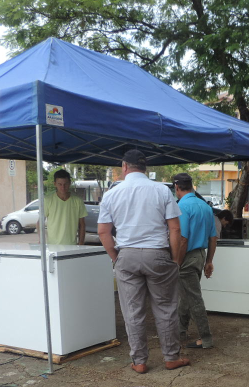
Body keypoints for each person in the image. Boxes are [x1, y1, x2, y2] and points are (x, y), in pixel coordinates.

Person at [98, 149, 190, 373]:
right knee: (166, 308)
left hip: (126, 255)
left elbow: (103, 232)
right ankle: (171, 357)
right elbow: (175, 228)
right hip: (158, 254)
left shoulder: (112, 194)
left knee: (132, 311)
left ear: (124, 167)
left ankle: (139, 361)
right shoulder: (161, 190)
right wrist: (176, 259)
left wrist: (116, 258)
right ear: (145, 168)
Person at [173, 173, 218, 350]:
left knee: (193, 298)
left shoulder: (182, 206)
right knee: (186, 295)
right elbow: (213, 237)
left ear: (177, 188)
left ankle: (206, 338)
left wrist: (177, 261)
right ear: (191, 186)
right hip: (200, 256)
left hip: (186, 256)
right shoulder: (205, 206)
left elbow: (183, 239)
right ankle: (180, 331)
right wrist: (209, 261)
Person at [43, 169, 87, 245]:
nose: (63, 187)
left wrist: (81, 243)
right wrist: (41, 240)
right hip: (53, 246)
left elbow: (82, 224)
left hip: (71, 245)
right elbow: (40, 222)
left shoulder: (78, 200)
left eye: (65, 184)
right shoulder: (47, 200)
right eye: (60, 184)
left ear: (69, 183)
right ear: (55, 184)